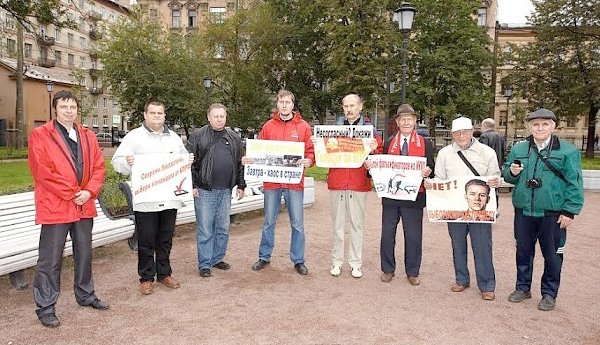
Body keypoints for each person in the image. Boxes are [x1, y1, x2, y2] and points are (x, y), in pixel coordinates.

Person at [28, 90, 108, 328]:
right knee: (50, 259)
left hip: (84, 206)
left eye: (72, 107)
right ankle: (45, 306)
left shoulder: (87, 135)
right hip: (56, 206)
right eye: (64, 107)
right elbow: (42, 172)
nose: (69, 111)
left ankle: (85, 294)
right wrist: (75, 193)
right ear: (55, 109)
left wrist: (89, 192)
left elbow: (99, 167)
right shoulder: (40, 135)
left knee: (84, 254)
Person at [503, 108, 584, 311]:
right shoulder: (519, 149)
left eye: (545, 124)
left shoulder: (568, 151)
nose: (540, 128)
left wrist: (570, 211)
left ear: (553, 126)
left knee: (553, 255)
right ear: (530, 126)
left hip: (553, 214)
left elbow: (575, 183)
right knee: (523, 252)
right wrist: (511, 172)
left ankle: (549, 293)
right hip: (524, 211)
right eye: (536, 124)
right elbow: (507, 174)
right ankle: (523, 287)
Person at [112, 100, 190, 295]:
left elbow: (183, 159)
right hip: (146, 200)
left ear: (164, 116)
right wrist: (127, 162)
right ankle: (146, 277)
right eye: (153, 113)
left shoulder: (173, 137)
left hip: (168, 198)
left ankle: (164, 273)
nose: (157, 116)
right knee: (146, 241)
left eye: (160, 113)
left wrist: (187, 161)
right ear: (145, 115)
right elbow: (117, 163)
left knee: (165, 238)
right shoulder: (134, 137)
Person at [432, 117, 500, 301]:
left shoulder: (487, 152)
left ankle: (487, 284)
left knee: (482, 246)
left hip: (480, 209)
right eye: (457, 133)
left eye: (465, 132)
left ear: (472, 131)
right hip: (455, 209)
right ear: (452, 134)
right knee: (458, 245)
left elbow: (496, 176)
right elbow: (439, 177)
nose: (461, 136)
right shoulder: (445, 154)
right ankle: (461, 279)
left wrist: (495, 181)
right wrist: (433, 185)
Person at [365, 103, 434, 285]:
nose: (405, 122)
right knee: (387, 234)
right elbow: (380, 165)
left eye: (409, 119)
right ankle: (387, 269)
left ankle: (412, 271)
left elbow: (432, 169)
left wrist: (428, 171)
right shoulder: (389, 142)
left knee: (413, 236)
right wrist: (371, 165)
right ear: (397, 122)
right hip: (391, 197)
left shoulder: (425, 143)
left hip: (414, 197)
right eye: (402, 119)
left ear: (414, 121)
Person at [248, 90, 314, 275]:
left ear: (293, 105)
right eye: (281, 102)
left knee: (297, 223)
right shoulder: (268, 126)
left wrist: (309, 160)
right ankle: (264, 256)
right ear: (277, 104)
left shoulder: (303, 126)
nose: (284, 105)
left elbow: (310, 151)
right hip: (272, 183)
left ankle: (298, 260)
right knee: (269, 221)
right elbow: (259, 151)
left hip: (294, 183)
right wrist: (250, 159)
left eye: (288, 102)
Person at [326, 94, 383, 279]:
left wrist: (374, 149)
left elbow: (379, 154)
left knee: (357, 225)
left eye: (352, 106)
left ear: (360, 107)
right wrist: (317, 143)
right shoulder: (333, 130)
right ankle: (336, 261)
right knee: (338, 225)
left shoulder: (369, 130)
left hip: (358, 182)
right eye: (345, 106)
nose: (349, 109)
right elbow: (324, 152)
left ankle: (355, 263)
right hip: (338, 181)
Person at [186, 103, 245, 278]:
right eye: (216, 116)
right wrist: (193, 185)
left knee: (223, 227)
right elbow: (188, 163)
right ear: (208, 117)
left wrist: (241, 185)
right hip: (205, 191)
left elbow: (240, 162)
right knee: (205, 228)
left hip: (225, 190)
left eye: (222, 116)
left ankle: (217, 258)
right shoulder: (197, 136)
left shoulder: (234, 137)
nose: (219, 119)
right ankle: (205, 263)